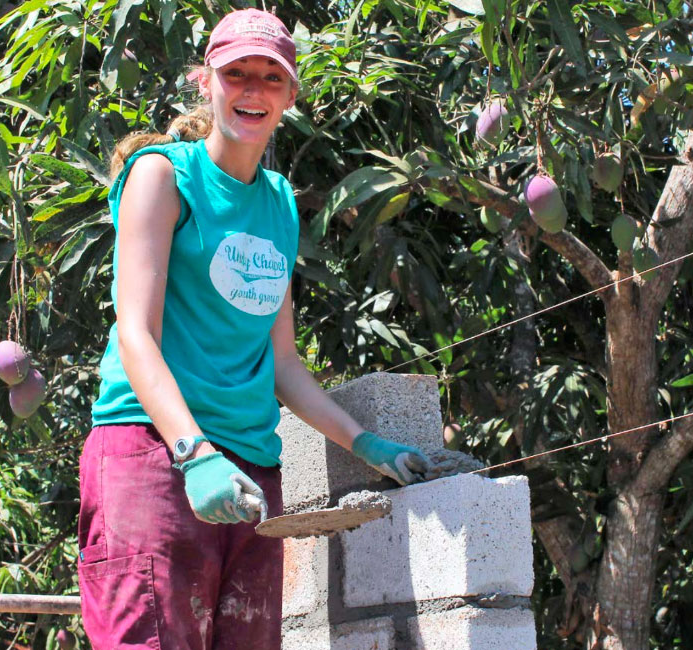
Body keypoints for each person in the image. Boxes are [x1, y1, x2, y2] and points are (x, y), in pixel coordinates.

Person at [77, 8, 431, 649]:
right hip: (154, 457)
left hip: (250, 474)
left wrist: (366, 445)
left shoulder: (279, 202)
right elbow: (136, 333)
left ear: (291, 94)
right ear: (206, 81)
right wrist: (194, 454)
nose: (252, 89)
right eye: (236, 73)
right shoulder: (163, 176)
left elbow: (284, 364)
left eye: (271, 78)